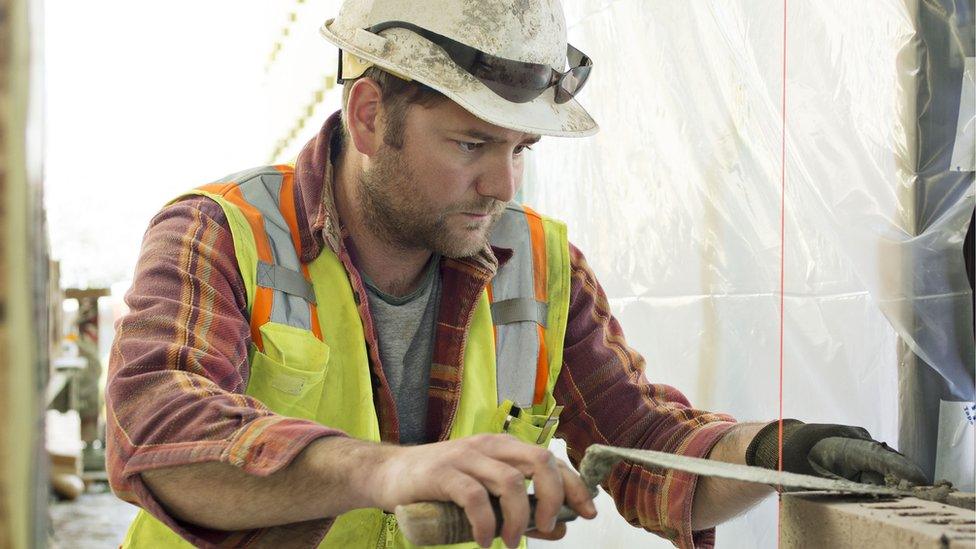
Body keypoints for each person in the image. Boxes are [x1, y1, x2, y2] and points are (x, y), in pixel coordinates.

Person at [106, 1, 927, 548]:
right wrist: (387, 470)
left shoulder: (537, 261)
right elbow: (160, 430)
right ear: (367, 116)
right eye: (471, 144)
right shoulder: (221, 232)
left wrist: (785, 448)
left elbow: (641, 444)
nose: (503, 187)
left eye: (521, 149)